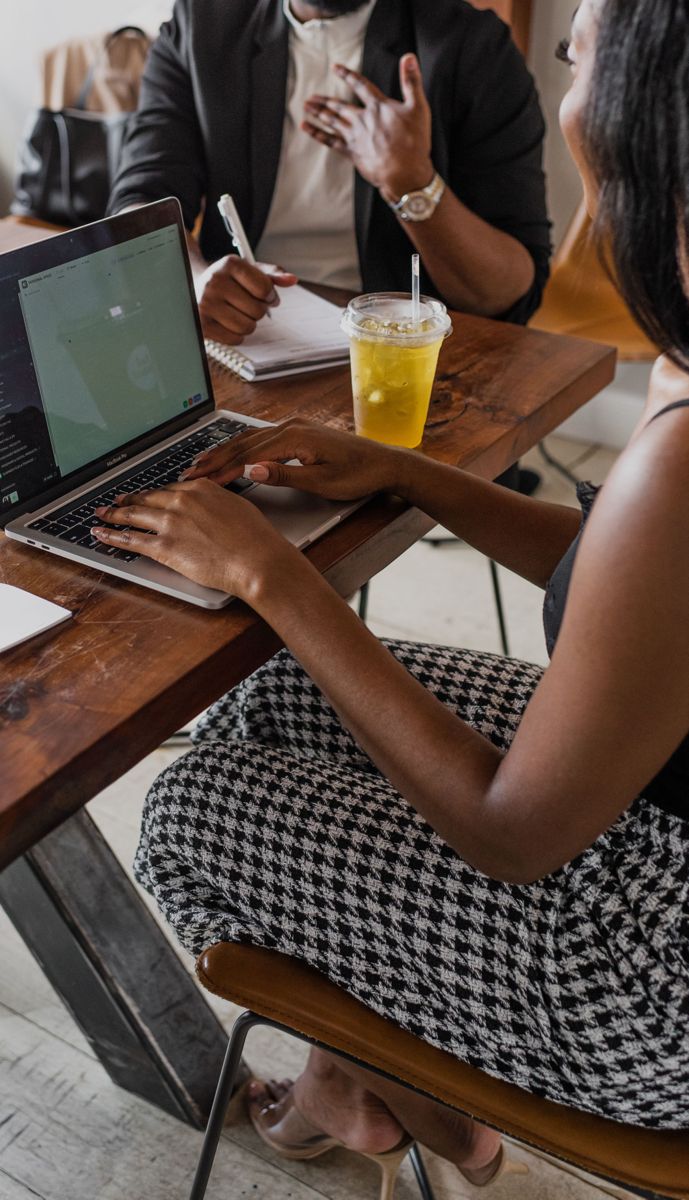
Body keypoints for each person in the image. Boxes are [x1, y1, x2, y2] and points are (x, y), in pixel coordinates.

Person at [93, 0, 689, 1189]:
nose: (569, 53)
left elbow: (512, 835)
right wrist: (410, 477)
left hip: (649, 981)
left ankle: (384, 1088)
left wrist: (269, 573)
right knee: (266, 709)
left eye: (590, 38)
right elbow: (633, 583)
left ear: (647, 113)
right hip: (653, 807)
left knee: (187, 808)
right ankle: (367, 1083)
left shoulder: (678, 464)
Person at [108, 0, 551, 347]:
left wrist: (414, 185)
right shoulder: (200, 24)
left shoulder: (474, 49)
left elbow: (506, 293)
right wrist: (193, 278)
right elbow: (141, 196)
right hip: (244, 340)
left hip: (405, 353)